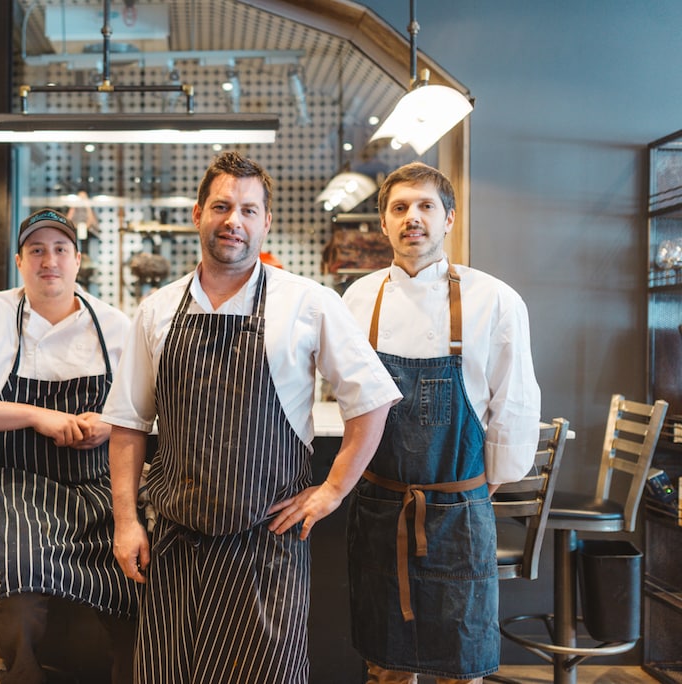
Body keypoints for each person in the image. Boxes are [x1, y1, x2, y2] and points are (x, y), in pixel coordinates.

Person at [102, 151, 402, 684]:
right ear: (198, 215)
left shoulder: (308, 303)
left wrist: (331, 490)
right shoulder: (157, 310)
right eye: (221, 206)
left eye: (247, 210)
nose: (232, 221)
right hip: (175, 544)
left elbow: (372, 400)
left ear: (266, 221)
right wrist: (126, 522)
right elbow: (127, 424)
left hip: (268, 543)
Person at [0, 207, 139, 684]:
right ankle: (20, 674)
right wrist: (36, 415)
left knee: (143, 569)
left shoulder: (115, 326)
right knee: (16, 571)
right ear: (19, 261)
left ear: (78, 260)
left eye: (60, 250)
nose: (49, 261)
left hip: (100, 486)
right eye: (37, 250)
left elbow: (150, 406)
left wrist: (109, 421)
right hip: (18, 486)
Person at [341, 161, 542, 683]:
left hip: (459, 512)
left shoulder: (494, 299)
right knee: (385, 668)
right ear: (383, 222)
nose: (413, 218)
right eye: (400, 207)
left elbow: (514, 403)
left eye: (426, 206)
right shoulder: (357, 299)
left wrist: (476, 489)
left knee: (462, 668)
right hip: (381, 508)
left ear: (449, 218)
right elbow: (349, 399)